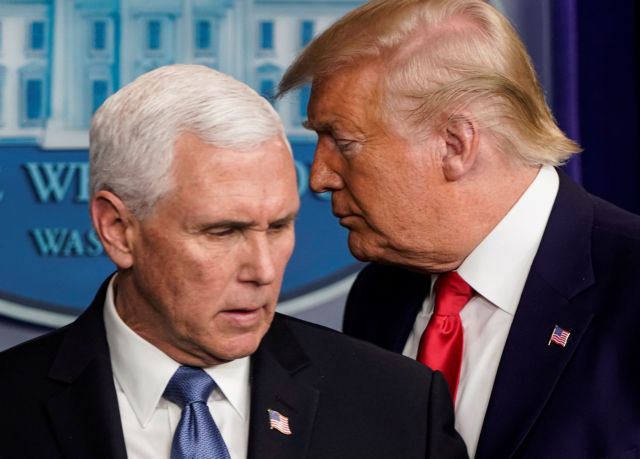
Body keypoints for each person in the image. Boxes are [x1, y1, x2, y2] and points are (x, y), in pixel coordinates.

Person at [0, 65, 468, 458]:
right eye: (222, 231)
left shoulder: (398, 405)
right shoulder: (11, 405)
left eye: (279, 226)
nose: (263, 271)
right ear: (118, 230)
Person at [278, 0, 640, 458]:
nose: (319, 178)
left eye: (343, 142)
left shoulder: (630, 287)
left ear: (455, 145)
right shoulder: (380, 295)